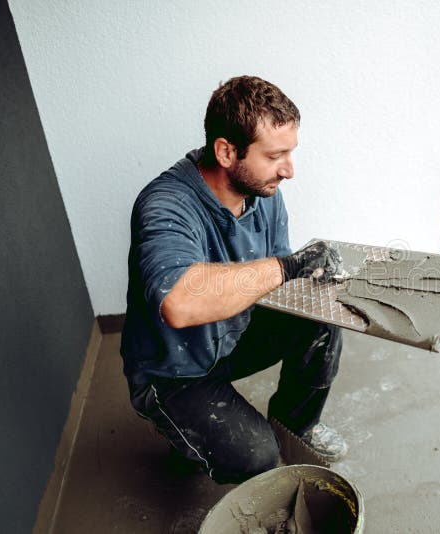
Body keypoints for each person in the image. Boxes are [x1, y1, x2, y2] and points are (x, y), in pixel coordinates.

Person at [120, 75, 347, 484]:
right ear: (226, 151)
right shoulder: (166, 205)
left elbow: (280, 287)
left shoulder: (264, 193)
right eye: (275, 155)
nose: (289, 170)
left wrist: (325, 285)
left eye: (290, 153)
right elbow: (178, 302)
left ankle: (296, 426)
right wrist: (287, 266)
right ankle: (187, 437)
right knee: (258, 456)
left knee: (323, 319)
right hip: (174, 370)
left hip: (232, 334)